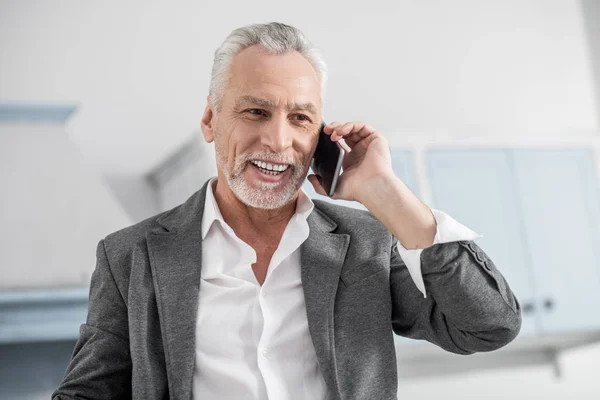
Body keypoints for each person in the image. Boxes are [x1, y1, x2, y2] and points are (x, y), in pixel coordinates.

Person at [53, 22, 521, 400]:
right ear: (210, 120)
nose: (278, 141)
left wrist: (386, 193)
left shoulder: (368, 243)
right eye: (255, 112)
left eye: (300, 118)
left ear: (320, 134)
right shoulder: (128, 257)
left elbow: (489, 326)